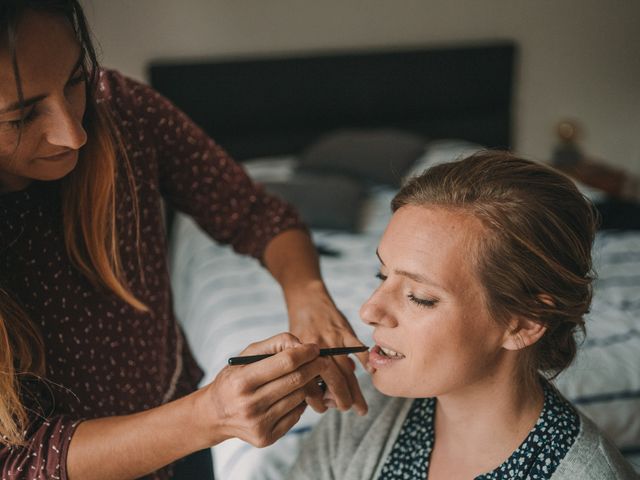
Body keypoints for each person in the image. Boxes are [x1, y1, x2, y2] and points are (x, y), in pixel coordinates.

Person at [0, 1, 368, 479]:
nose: (73, 134)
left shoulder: (122, 109)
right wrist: (208, 415)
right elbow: (16, 462)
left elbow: (256, 214)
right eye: (22, 117)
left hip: (186, 453)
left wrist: (308, 295)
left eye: (74, 81)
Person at [288, 152, 638, 479]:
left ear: (523, 322)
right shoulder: (360, 415)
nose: (368, 310)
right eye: (382, 276)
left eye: (420, 297)